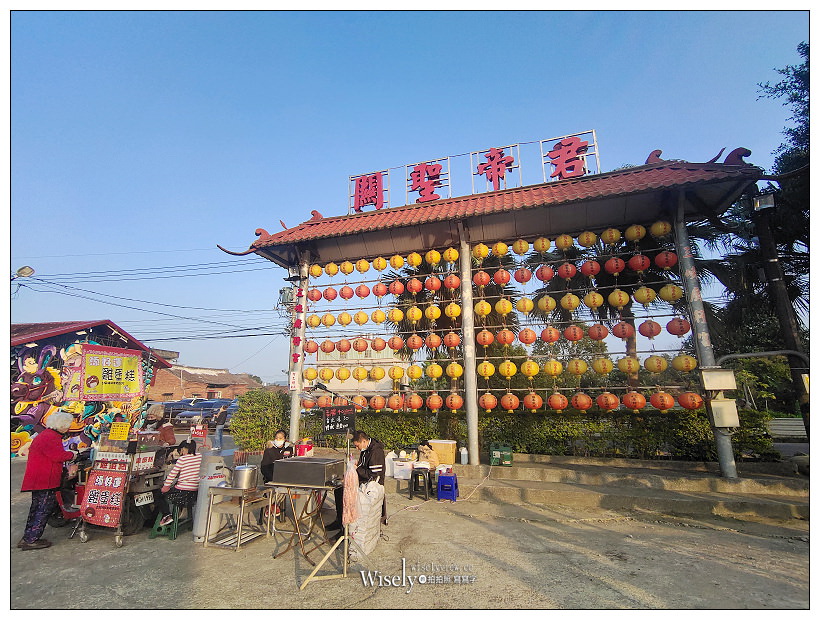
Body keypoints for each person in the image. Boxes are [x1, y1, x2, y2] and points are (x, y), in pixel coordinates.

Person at [18, 411, 76, 550]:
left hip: (38, 478)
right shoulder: (51, 437)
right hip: (45, 479)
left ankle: (28, 537)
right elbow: (58, 456)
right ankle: (31, 539)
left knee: (36, 508)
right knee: (42, 509)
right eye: (68, 425)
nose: (69, 428)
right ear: (62, 425)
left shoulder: (46, 434)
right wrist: (72, 455)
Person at [327, 430, 386, 533]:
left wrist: (357, 469)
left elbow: (374, 475)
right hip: (363, 478)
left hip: (371, 484)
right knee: (339, 488)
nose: (357, 448)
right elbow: (363, 466)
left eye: (357, 446)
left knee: (346, 493)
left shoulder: (376, 451)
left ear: (364, 441)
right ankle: (340, 520)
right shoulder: (366, 449)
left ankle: (345, 527)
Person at [155, 440, 201, 526]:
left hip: (182, 493)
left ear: (185, 449)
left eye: (182, 449)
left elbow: (172, 475)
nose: (181, 451)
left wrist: (165, 487)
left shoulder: (182, 459)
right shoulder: (199, 457)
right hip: (194, 492)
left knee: (158, 494)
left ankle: (167, 515)